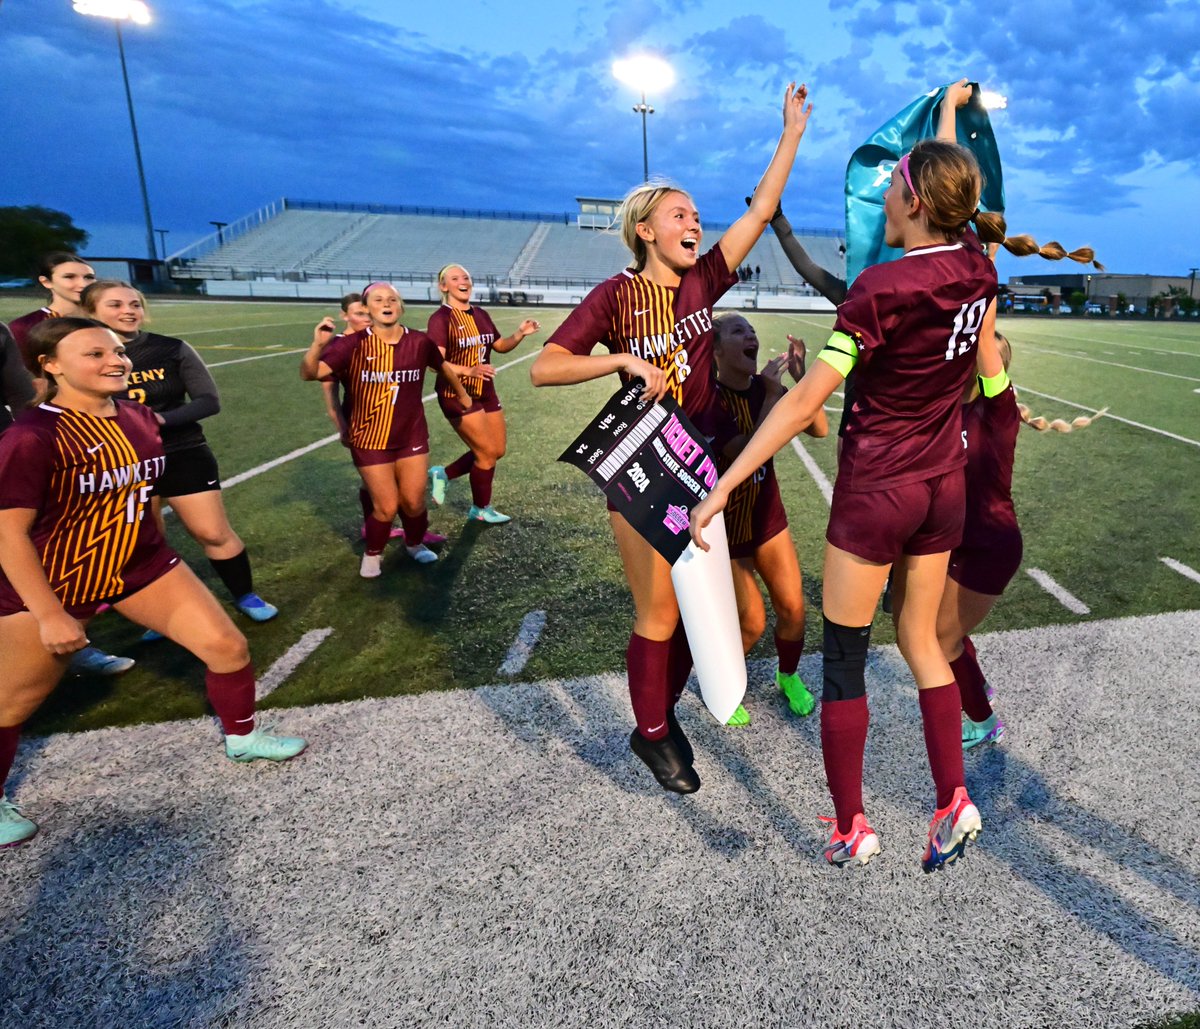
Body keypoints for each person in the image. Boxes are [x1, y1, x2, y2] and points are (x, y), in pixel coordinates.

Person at [691, 138, 1099, 870]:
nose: (882, 197)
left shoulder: (879, 289)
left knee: (844, 658)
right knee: (922, 642)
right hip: (942, 490)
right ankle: (952, 798)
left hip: (878, 489)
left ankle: (852, 825)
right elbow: (958, 205)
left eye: (891, 186)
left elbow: (809, 398)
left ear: (914, 200)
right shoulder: (977, 268)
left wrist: (725, 482)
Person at [531, 82, 813, 795]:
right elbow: (545, 367)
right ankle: (652, 733)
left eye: (695, 214)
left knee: (734, 614)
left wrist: (791, 136)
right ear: (646, 231)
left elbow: (758, 211)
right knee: (659, 610)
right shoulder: (613, 296)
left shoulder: (702, 283)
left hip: (701, 468)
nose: (695, 222)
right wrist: (622, 360)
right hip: (641, 468)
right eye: (679, 214)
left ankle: (654, 709)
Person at [0, 318, 306, 848]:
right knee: (12, 704)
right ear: (48, 364)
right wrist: (50, 613)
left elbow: (143, 497)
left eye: (117, 352)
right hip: (56, 581)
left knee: (227, 646)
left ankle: (243, 737)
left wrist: (160, 555)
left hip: (139, 565)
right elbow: (8, 534)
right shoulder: (31, 435)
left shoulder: (140, 417)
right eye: (94, 354)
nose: (115, 360)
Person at [81, 281, 279, 627]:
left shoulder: (170, 349)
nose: (128, 311)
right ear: (90, 312)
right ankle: (164, 614)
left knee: (213, 532)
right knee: (145, 544)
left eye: (134, 304)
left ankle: (245, 594)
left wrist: (157, 420)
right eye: (115, 305)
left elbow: (208, 401)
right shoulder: (79, 356)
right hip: (119, 463)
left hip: (181, 451)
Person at [8, 254, 133, 678]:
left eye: (88, 276)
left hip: (64, 441)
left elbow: (19, 394)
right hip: (37, 441)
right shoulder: (25, 328)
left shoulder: (98, 322)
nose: (81, 283)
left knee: (61, 542)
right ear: (45, 281)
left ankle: (72, 635)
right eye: (70, 276)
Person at [300, 282, 474, 577]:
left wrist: (462, 392)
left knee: (414, 501)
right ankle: (373, 553)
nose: (387, 303)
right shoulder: (351, 344)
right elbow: (310, 373)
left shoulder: (419, 341)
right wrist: (318, 345)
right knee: (386, 505)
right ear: (367, 309)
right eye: (378, 299)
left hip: (411, 436)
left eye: (392, 298)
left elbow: (441, 365)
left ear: (401, 306)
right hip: (370, 437)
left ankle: (415, 544)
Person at [712, 316, 828, 727]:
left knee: (794, 608)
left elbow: (819, 428)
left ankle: (788, 675)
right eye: (737, 332)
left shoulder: (767, 387)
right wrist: (773, 395)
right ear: (717, 351)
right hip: (725, 529)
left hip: (766, 518)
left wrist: (799, 382)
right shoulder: (708, 400)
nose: (751, 337)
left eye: (751, 331)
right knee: (752, 621)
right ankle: (725, 682)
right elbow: (748, 453)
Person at [314, 295, 445, 547]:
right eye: (359, 314)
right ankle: (374, 529)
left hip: (403, 428)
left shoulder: (388, 339)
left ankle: (413, 534)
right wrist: (343, 428)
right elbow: (330, 397)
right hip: (366, 429)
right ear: (346, 316)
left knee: (408, 491)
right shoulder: (341, 346)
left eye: (365, 314)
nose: (364, 318)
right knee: (380, 491)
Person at [427, 263, 540, 524]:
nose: (463, 281)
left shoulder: (481, 314)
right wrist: (468, 370)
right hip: (456, 394)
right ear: (444, 286)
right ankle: (480, 509)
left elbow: (499, 346)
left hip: (485, 391)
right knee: (486, 453)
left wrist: (520, 334)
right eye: (455, 278)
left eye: (466, 276)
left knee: (496, 450)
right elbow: (435, 362)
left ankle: (443, 473)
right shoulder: (440, 319)